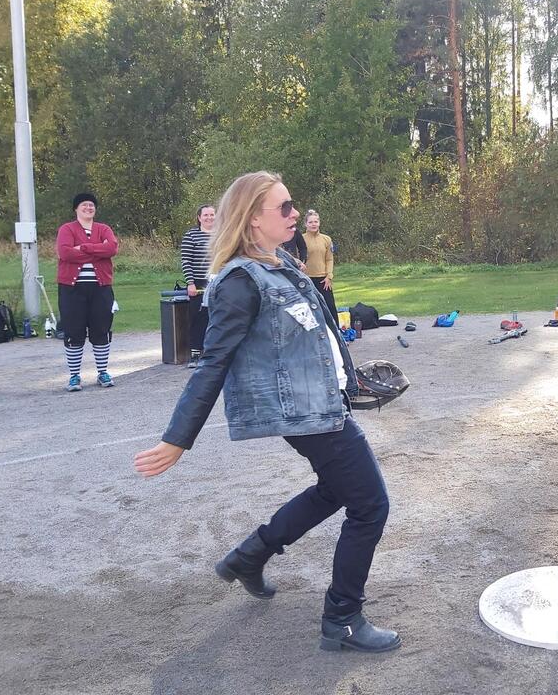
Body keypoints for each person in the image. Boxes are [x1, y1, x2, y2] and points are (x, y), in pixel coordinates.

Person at [133, 171, 399, 654]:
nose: (295, 213)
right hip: (304, 413)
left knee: (335, 490)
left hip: (322, 402)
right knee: (370, 505)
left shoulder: (280, 262)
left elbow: (316, 333)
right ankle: (341, 619)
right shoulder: (239, 281)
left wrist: (348, 379)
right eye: (285, 207)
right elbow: (213, 363)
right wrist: (177, 439)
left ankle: (249, 556)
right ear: (253, 219)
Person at [55, 192, 119, 392]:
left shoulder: (104, 229)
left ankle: (103, 372)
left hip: (101, 288)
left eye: (91, 205)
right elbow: (65, 253)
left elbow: (112, 249)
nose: (88, 208)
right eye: (84, 205)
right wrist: (98, 251)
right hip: (72, 289)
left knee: (101, 329)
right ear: (76, 208)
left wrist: (83, 248)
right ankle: (74, 376)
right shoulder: (67, 229)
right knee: (74, 330)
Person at [179, 204, 215, 368]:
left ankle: (213, 352)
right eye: (206, 215)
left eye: (212, 214)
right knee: (198, 317)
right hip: (199, 283)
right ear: (199, 218)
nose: (209, 218)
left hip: (218, 281)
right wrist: (191, 283)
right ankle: (195, 353)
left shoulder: (222, 235)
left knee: (218, 317)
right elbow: (186, 261)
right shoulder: (191, 236)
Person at [302, 209, 339, 327]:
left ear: (319, 223)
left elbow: (329, 259)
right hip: (307, 279)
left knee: (330, 307)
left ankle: (337, 333)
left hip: (323, 279)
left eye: (316, 221)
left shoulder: (326, 239)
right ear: (305, 224)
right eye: (310, 222)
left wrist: (329, 276)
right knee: (310, 309)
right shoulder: (301, 239)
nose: (313, 224)